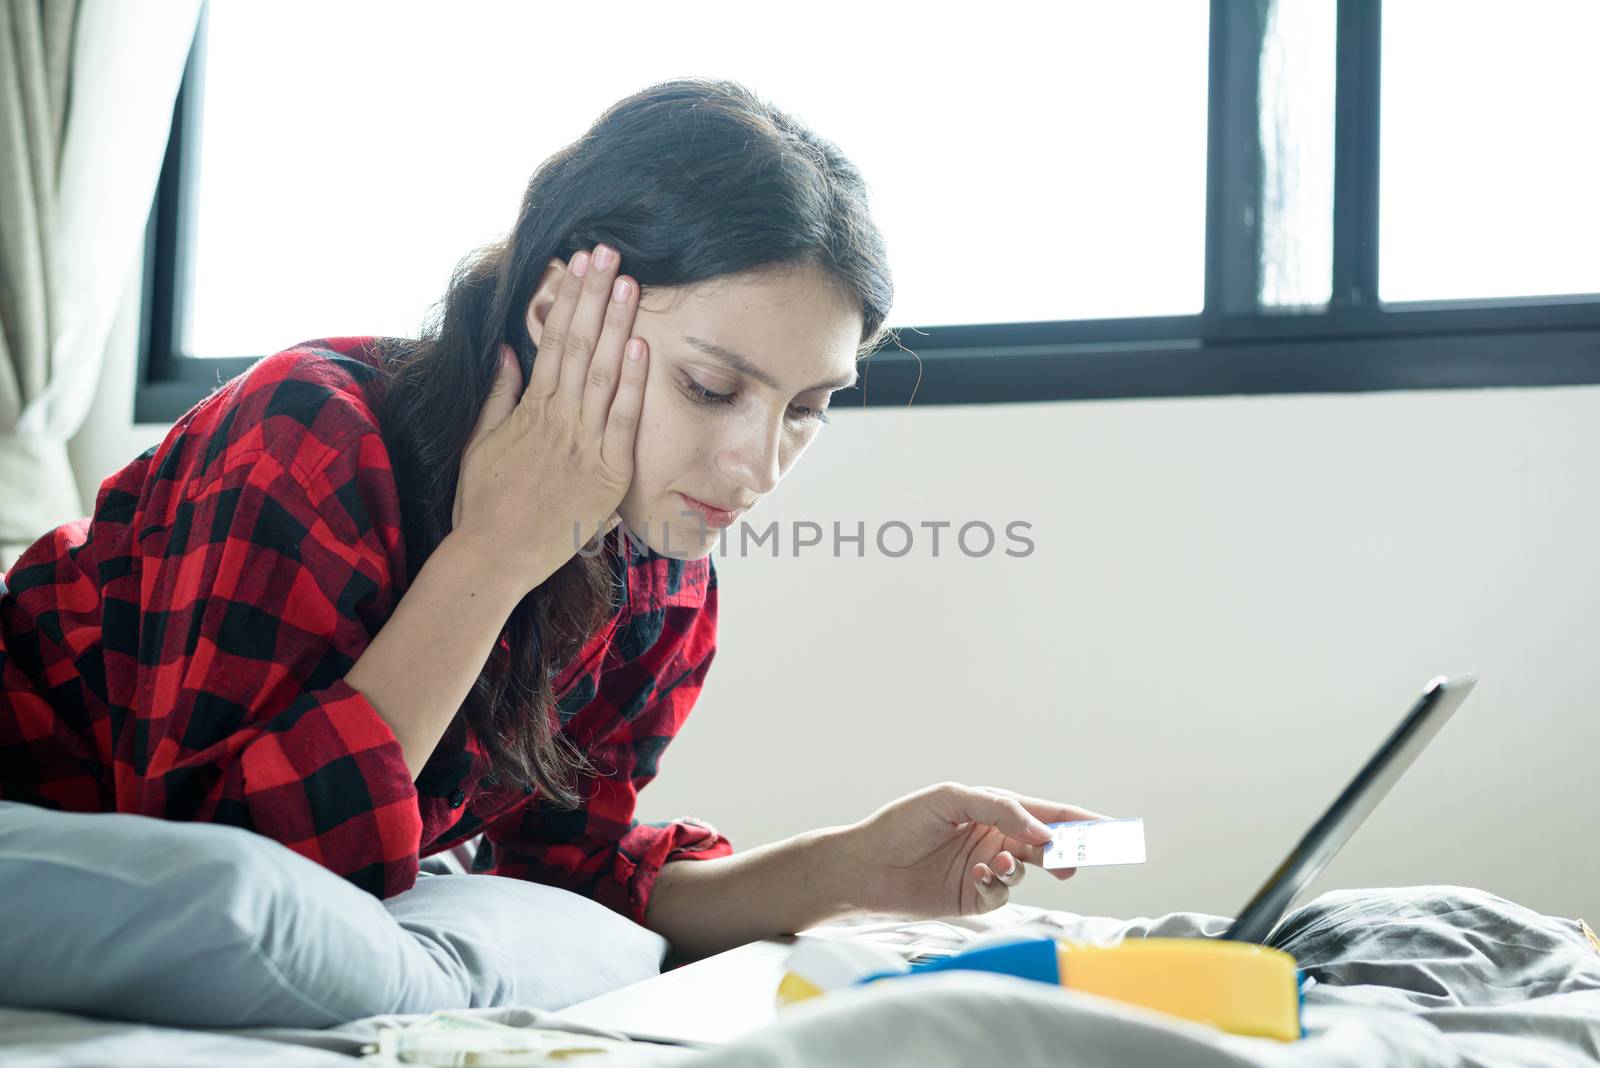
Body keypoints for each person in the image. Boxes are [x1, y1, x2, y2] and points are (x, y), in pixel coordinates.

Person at [0, 78, 1097, 964]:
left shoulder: (663, 568)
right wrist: (495, 551)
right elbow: (228, 891)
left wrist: (853, 869)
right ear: (553, 312)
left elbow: (568, 866)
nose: (756, 467)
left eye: (807, 410)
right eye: (712, 390)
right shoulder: (314, 434)